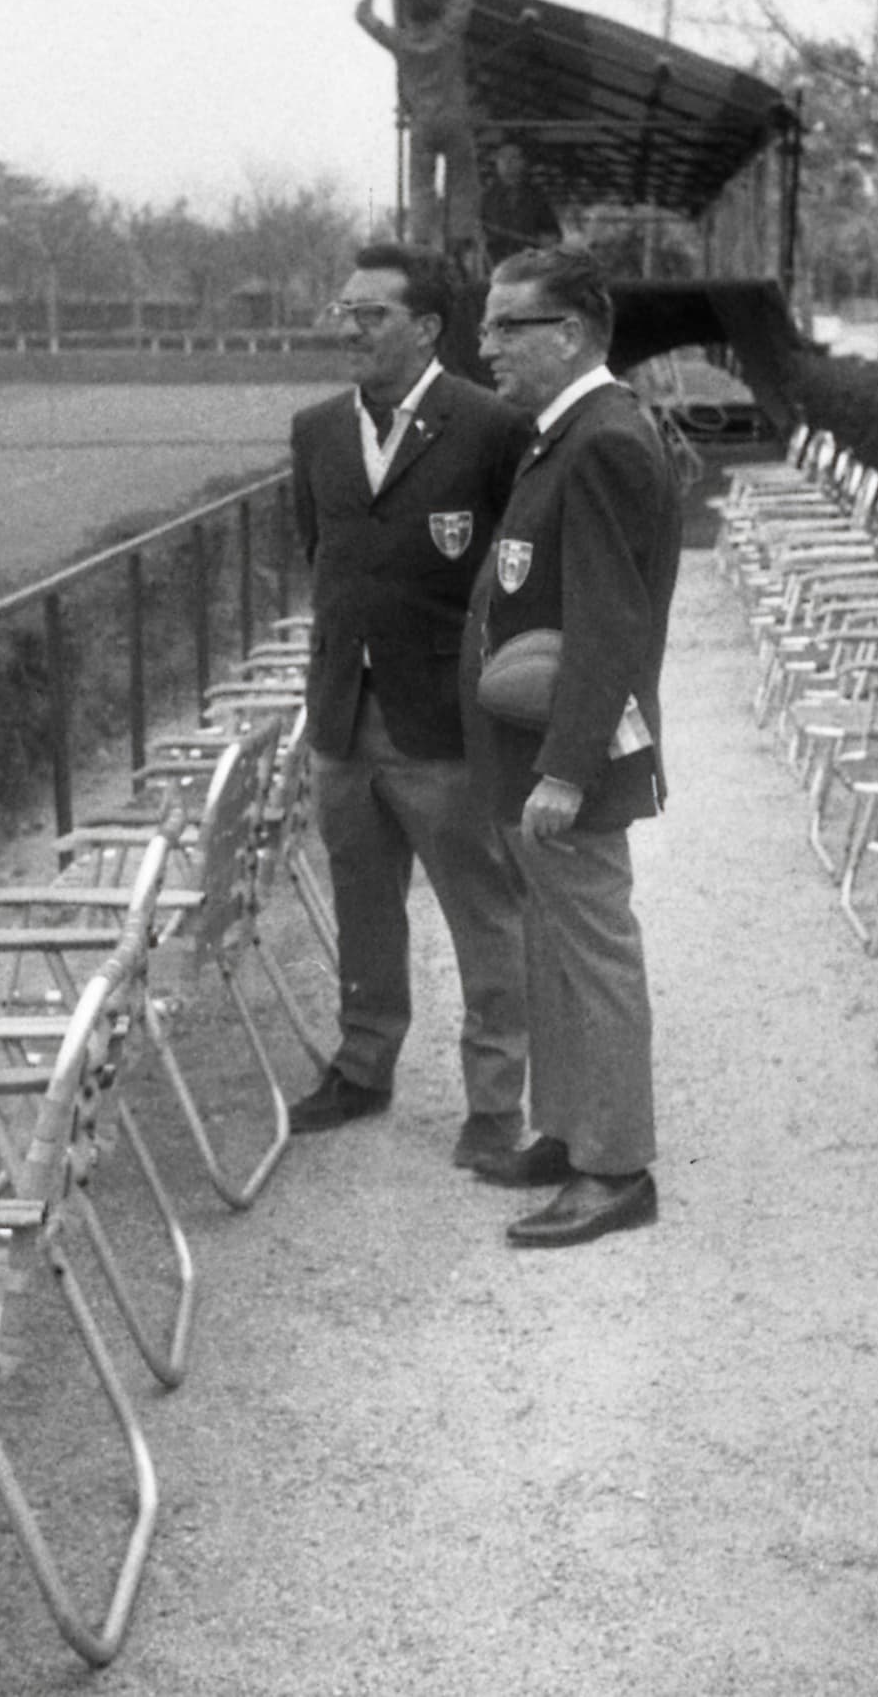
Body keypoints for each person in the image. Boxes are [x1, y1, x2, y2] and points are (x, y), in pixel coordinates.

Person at [289, 241, 530, 1168]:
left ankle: (495, 1101)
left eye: (371, 313)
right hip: (342, 715)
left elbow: (516, 567)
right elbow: (323, 557)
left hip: (445, 725)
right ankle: (363, 1064)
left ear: (426, 327)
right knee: (363, 902)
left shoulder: (490, 427)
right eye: (343, 311)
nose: (349, 328)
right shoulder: (317, 430)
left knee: (483, 909)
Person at [461, 245, 682, 1247]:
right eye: (487, 324)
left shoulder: (602, 441)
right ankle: (566, 1129)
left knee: (593, 957)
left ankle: (615, 1166)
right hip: (540, 750)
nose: (486, 345)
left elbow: (608, 625)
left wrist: (564, 770)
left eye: (508, 326)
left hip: (569, 759)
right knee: (551, 950)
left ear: (572, 334)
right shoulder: (566, 432)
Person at [356, 0, 481, 261]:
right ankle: (461, 238)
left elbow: (362, 15)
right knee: (463, 180)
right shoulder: (449, 32)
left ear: (408, 16)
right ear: (438, 11)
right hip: (454, 119)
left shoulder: (400, 41)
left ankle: (421, 240)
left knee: (421, 185)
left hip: (422, 123)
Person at [480, 137, 561, 268]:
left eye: (513, 157)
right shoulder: (485, 198)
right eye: (502, 157)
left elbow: (552, 232)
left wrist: (548, 239)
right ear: (496, 162)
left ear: (523, 162)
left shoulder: (536, 197)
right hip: (495, 266)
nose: (507, 162)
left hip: (529, 265)